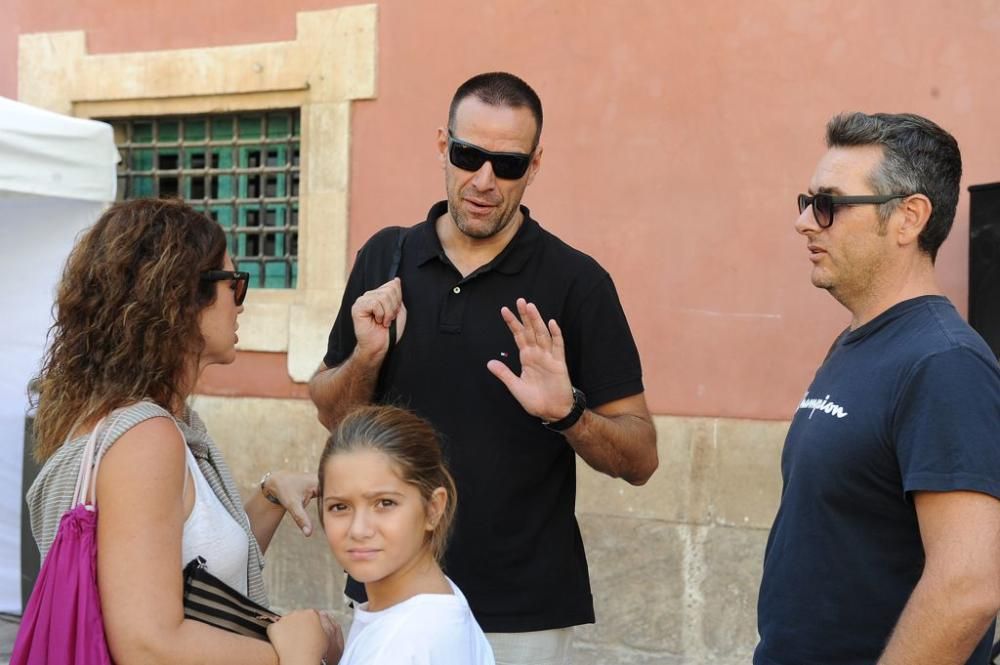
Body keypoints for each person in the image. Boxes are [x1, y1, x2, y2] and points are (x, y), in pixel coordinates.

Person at [309, 71, 658, 664]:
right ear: (444, 146)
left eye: (509, 164)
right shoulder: (385, 257)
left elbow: (641, 456)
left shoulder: (577, 283)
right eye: (469, 155)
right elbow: (331, 410)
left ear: (536, 164)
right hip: (391, 590)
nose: (484, 180)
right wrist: (368, 355)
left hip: (521, 614)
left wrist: (568, 412)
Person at [26, 198, 341, 665]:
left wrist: (270, 496)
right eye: (233, 284)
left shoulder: (131, 422)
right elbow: (148, 645)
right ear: (181, 298)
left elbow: (192, 568)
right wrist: (291, 651)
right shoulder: (145, 438)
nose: (241, 304)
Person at [755, 113, 1000, 665]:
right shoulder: (860, 342)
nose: (805, 223)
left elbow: (967, 588)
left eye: (829, 204)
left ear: (908, 218)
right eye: (805, 201)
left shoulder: (945, 363)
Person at [270, 404, 495, 664]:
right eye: (340, 507)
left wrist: (299, 656)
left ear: (433, 509)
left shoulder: (401, 644)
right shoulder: (436, 601)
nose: (359, 529)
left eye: (385, 503)